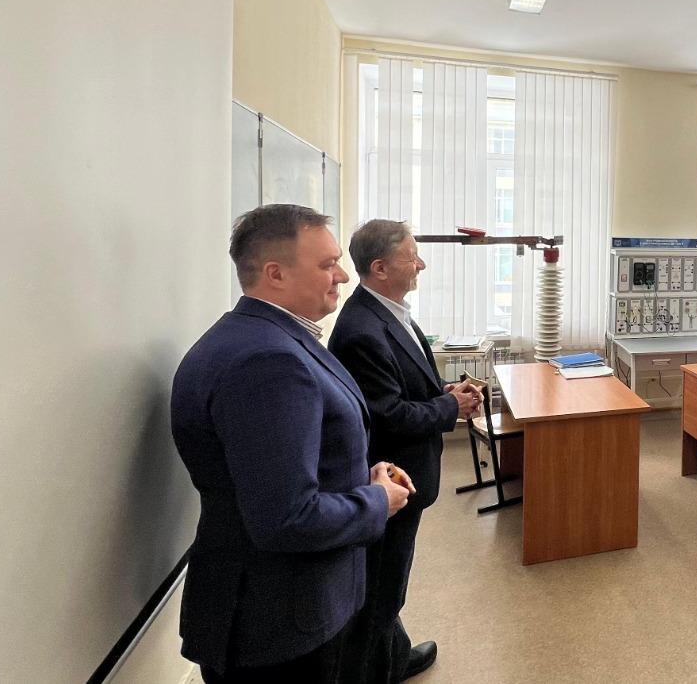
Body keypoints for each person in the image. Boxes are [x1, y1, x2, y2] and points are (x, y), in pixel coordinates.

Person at [171, 205, 411, 683]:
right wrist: (376, 501)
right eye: (327, 264)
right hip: (282, 619)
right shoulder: (268, 362)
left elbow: (284, 468)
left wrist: (360, 477)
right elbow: (286, 518)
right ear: (275, 274)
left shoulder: (262, 336)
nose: (343, 275)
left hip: (284, 608)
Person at [329, 221, 482, 684]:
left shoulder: (392, 313)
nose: (421, 264)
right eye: (412, 256)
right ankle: (374, 671)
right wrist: (450, 407)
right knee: (380, 588)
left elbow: (404, 386)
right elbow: (389, 416)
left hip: (407, 477)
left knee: (388, 581)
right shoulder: (362, 330)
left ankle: (392, 656)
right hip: (391, 479)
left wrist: (443, 392)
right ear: (379, 268)